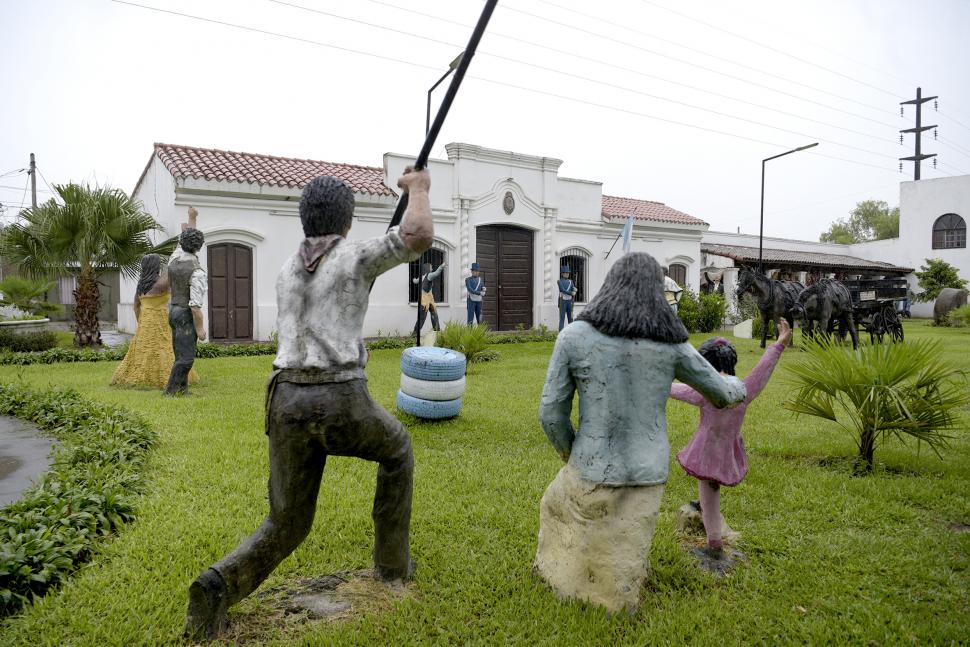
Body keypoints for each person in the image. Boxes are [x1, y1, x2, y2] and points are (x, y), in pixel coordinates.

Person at [184, 168, 433, 641]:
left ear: (304, 218)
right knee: (397, 449)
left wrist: (351, 346)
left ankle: (216, 586)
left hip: (286, 399)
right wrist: (417, 189)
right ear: (347, 219)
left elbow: (322, 322)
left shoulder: (287, 269)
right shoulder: (356, 255)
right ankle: (392, 568)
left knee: (287, 522)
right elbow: (418, 234)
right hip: (338, 400)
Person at [535, 252, 747, 613]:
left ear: (609, 287)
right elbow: (725, 393)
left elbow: (551, 413)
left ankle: (569, 580)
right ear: (656, 293)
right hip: (647, 474)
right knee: (622, 559)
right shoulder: (673, 345)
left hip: (588, 468)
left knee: (559, 514)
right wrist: (739, 385)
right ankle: (615, 595)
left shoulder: (573, 336)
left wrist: (570, 452)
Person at [671, 319, 791, 569]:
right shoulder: (744, 390)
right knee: (710, 489)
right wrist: (778, 345)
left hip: (705, 452)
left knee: (709, 492)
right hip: (727, 451)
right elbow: (763, 369)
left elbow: (676, 389)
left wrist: (657, 379)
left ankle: (714, 545)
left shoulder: (707, 391)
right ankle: (705, 517)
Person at [110, 254, 199, 389]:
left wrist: (141, 323)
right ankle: (169, 377)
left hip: (145, 320)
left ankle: (140, 376)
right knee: (165, 347)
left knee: (144, 350)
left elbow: (136, 306)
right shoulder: (161, 283)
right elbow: (173, 269)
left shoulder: (141, 285)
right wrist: (180, 252)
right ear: (156, 266)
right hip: (160, 320)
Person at [164, 226, 207, 396]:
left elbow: (177, 247)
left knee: (179, 354)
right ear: (199, 246)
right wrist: (200, 329)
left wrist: (190, 222)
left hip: (173, 311)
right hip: (185, 315)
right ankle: (170, 391)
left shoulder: (173, 259)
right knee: (186, 358)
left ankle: (183, 390)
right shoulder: (197, 271)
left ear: (181, 242)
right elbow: (195, 307)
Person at [413, 261, 445, 335]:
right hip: (425, 300)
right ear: (427, 268)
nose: (432, 268)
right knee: (423, 317)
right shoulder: (429, 275)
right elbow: (436, 273)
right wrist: (441, 266)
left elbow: (415, 281)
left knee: (432, 315)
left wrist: (413, 279)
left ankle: (436, 331)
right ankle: (415, 334)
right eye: (431, 267)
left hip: (427, 299)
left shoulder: (422, 277)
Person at [556, 266, 577, 331]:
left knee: (570, 318)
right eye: (565, 273)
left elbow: (573, 288)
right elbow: (562, 290)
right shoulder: (559, 281)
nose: (567, 274)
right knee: (562, 318)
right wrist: (571, 293)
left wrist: (575, 290)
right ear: (562, 274)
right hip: (563, 301)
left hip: (570, 302)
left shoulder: (571, 281)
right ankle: (560, 333)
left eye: (568, 273)